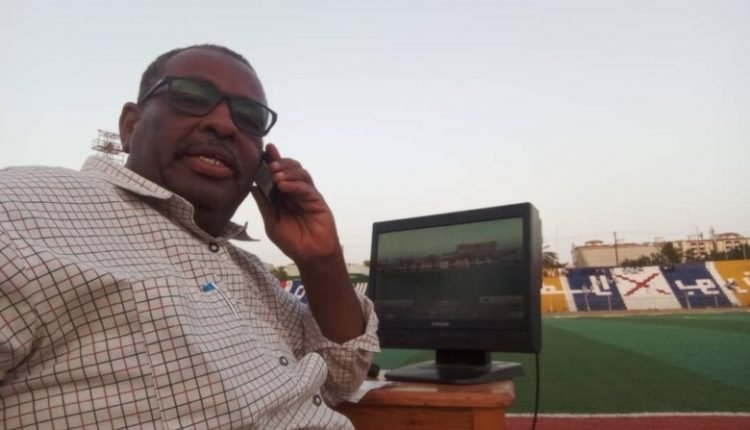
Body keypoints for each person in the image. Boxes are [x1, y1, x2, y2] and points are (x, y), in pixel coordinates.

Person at [0, 44, 379, 429]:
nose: (224, 125)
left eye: (249, 117)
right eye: (191, 97)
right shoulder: (19, 210)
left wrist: (320, 259)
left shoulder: (251, 275)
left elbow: (339, 377)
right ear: (130, 126)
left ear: (262, 162)